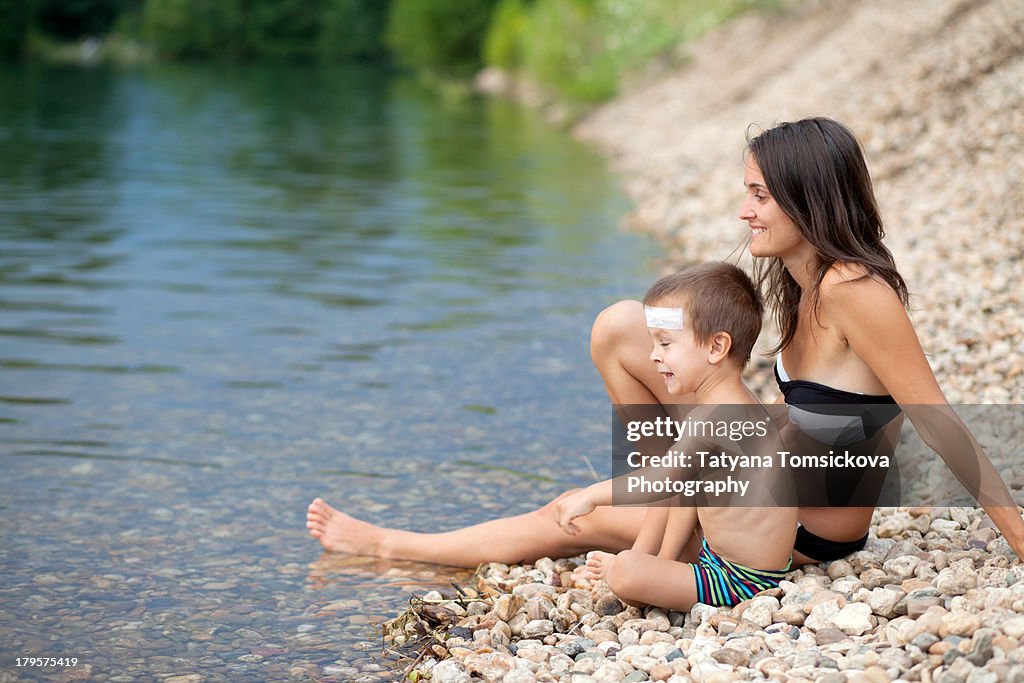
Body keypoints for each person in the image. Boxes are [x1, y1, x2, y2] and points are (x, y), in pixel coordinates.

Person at [306, 116, 1024, 566]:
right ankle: (663, 510)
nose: (743, 211)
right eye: (747, 191)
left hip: (799, 525)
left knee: (565, 516)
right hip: (775, 483)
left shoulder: (851, 290)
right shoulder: (804, 285)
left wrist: (1016, 534)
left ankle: (390, 545)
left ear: (810, 198)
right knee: (623, 325)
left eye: (760, 196)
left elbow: (935, 417)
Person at [553, 263, 797, 611]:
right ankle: (662, 565)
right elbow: (688, 487)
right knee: (688, 489)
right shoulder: (737, 405)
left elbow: (662, 479)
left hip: (739, 581)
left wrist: (592, 495)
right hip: (726, 561)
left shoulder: (718, 418)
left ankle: (647, 572)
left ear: (716, 347)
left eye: (665, 343)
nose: (654, 355)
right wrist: (662, 558)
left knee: (624, 571)